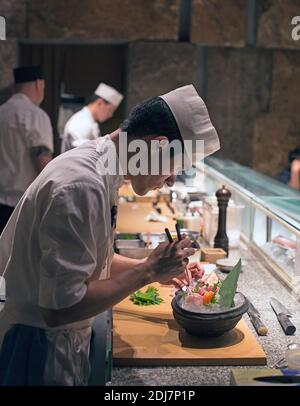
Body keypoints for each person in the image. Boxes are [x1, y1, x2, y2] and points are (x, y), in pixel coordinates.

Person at [0, 84, 220, 386]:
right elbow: (59, 308)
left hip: (57, 343)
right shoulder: (82, 185)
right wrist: (148, 269)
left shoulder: (102, 164)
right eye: (175, 167)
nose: (170, 181)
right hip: (38, 352)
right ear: (156, 146)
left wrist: (156, 273)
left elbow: (93, 257)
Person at [0, 66, 53, 234]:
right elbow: (43, 164)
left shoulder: (2, 112)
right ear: (39, 84)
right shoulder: (35, 115)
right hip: (22, 205)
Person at [61, 83, 123, 153]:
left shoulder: (89, 120)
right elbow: (79, 149)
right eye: (110, 110)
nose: (111, 115)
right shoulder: (80, 121)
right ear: (100, 103)